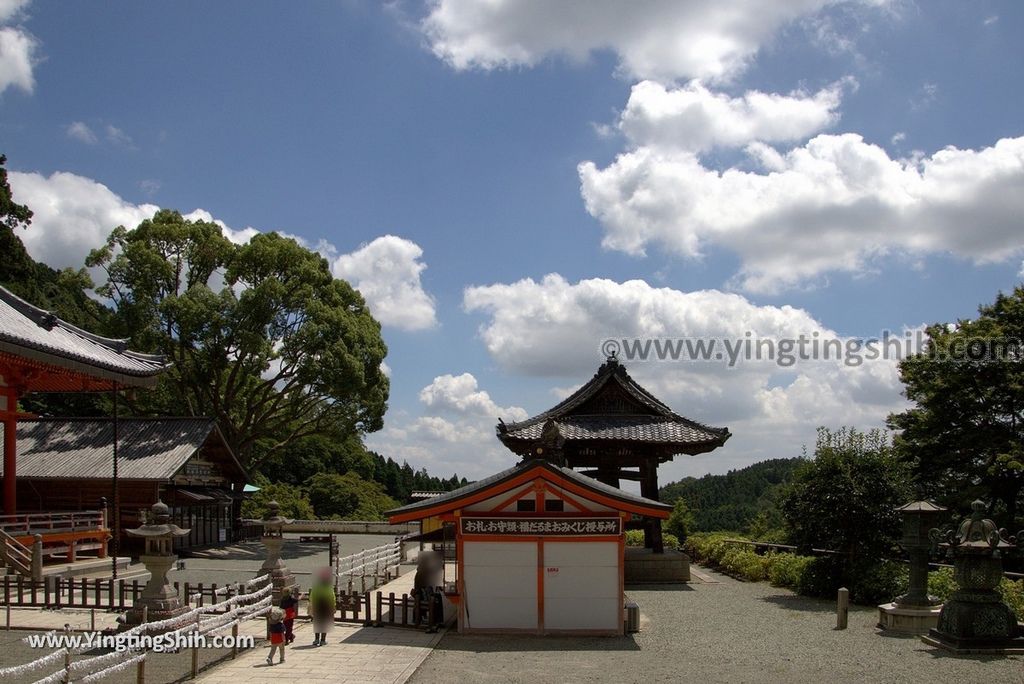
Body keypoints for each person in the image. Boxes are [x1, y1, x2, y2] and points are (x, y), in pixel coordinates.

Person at [308, 568, 336, 647]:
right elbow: (332, 597)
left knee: (317, 622)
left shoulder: (316, 586)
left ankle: (316, 639)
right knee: (325, 623)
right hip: (327, 605)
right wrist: (334, 606)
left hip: (317, 605)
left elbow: (312, 596)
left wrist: (312, 605)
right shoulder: (329, 587)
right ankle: (323, 640)